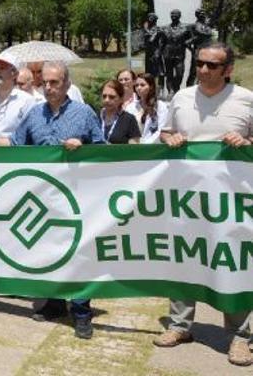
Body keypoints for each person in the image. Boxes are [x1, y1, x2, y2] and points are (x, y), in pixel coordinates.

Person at [154, 41, 253, 367]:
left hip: (231, 203)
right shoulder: (181, 98)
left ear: (228, 70)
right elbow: (164, 134)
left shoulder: (246, 100)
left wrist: (247, 142)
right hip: (186, 200)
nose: (204, 70)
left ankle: (241, 336)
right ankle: (180, 325)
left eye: (212, 65)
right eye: (200, 64)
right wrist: (170, 138)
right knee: (183, 256)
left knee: (231, 262)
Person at [4, 60, 104, 340]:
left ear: (67, 84)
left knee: (79, 254)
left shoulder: (84, 113)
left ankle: (82, 312)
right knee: (50, 251)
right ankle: (56, 303)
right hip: (43, 199)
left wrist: (83, 149)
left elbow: (104, 151)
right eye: (44, 83)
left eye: (54, 82)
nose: (48, 88)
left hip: (77, 197)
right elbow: (15, 148)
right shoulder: (34, 114)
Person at [0, 57, 36, 142]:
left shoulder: (27, 101)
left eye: (2, 68)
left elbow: (29, 134)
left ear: (14, 74)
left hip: (12, 153)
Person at [99, 80, 140, 144]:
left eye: (111, 97)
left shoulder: (129, 119)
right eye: (104, 96)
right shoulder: (94, 117)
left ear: (121, 99)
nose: (107, 100)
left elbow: (134, 148)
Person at [132, 73, 168, 144]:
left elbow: (161, 129)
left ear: (151, 86)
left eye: (142, 85)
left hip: (153, 147)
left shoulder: (160, 106)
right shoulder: (131, 106)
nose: (139, 88)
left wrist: (146, 144)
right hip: (135, 146)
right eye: (136, 85)